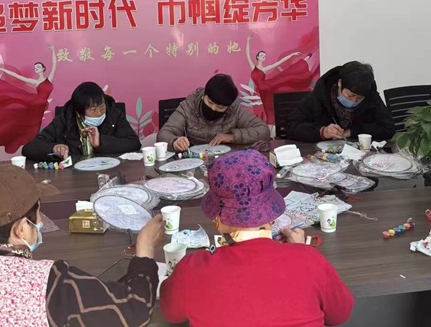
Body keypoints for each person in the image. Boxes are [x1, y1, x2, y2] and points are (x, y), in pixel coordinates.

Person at [0, 165, 164, 326]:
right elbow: (133, 310)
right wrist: (144, 252)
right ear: (21, 229)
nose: (41, 222)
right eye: (38, 215)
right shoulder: (52, 282)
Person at [161, 150, 354, 326]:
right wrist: (301, 251)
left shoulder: (192, 269)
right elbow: (340, 314)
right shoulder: (309, 259)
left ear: (217, 219)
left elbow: (172, 314)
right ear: (271, 216)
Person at [22, 82, 139, 161]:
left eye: (102, 106)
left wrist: (101, 142)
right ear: (79, 111)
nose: (99, 113)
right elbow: (29, 148)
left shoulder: (114, 115)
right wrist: (53, 148)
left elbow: (134, 144)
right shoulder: (65, 120)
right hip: (75, 177)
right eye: (93, 110)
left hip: (110, 171)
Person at [0, 44, 57, 153]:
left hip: (39, 107)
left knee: (31, 126)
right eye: (35, 68)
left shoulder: (49, 79)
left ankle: (27, 145)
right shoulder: (35, 82)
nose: (36, 69)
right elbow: (17, 76)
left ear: (43, 68)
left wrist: (53, 49)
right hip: (33, 103)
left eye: (38, 67)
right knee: (11, 98)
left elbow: (55, 63)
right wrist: (3, 70)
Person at [285, 61, 395, 142]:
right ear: (340, 83)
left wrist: (352, 132)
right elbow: (291, 126)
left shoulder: (370, 97)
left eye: (359, 98)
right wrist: (323, 131)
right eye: (350, 95)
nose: (354, 101)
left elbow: (388, 127)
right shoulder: (319, 96)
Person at [157, 75, 270, 152]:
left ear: (228, 106)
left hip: (225, 161)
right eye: (210, 102)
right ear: (203, 95)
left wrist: (232, 137)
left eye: (220, 107)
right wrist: (175, 141)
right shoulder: (189, 106)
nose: (213, 108)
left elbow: (263, 131)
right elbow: (164, 133)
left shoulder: (234, 110)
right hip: (195, 160)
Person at [245, 34, 315, 125]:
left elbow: (280, 62)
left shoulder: (266, 69)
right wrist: (248, 41)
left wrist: (292, 55)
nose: (263, 56)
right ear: (257, 57)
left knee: (288, 75)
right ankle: (272, 130)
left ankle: (305, 59)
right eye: (262, 55)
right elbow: (247, 54)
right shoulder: (253, 68)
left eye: (264, 56)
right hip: (264, 90)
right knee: (269, 111)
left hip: (267, 87)